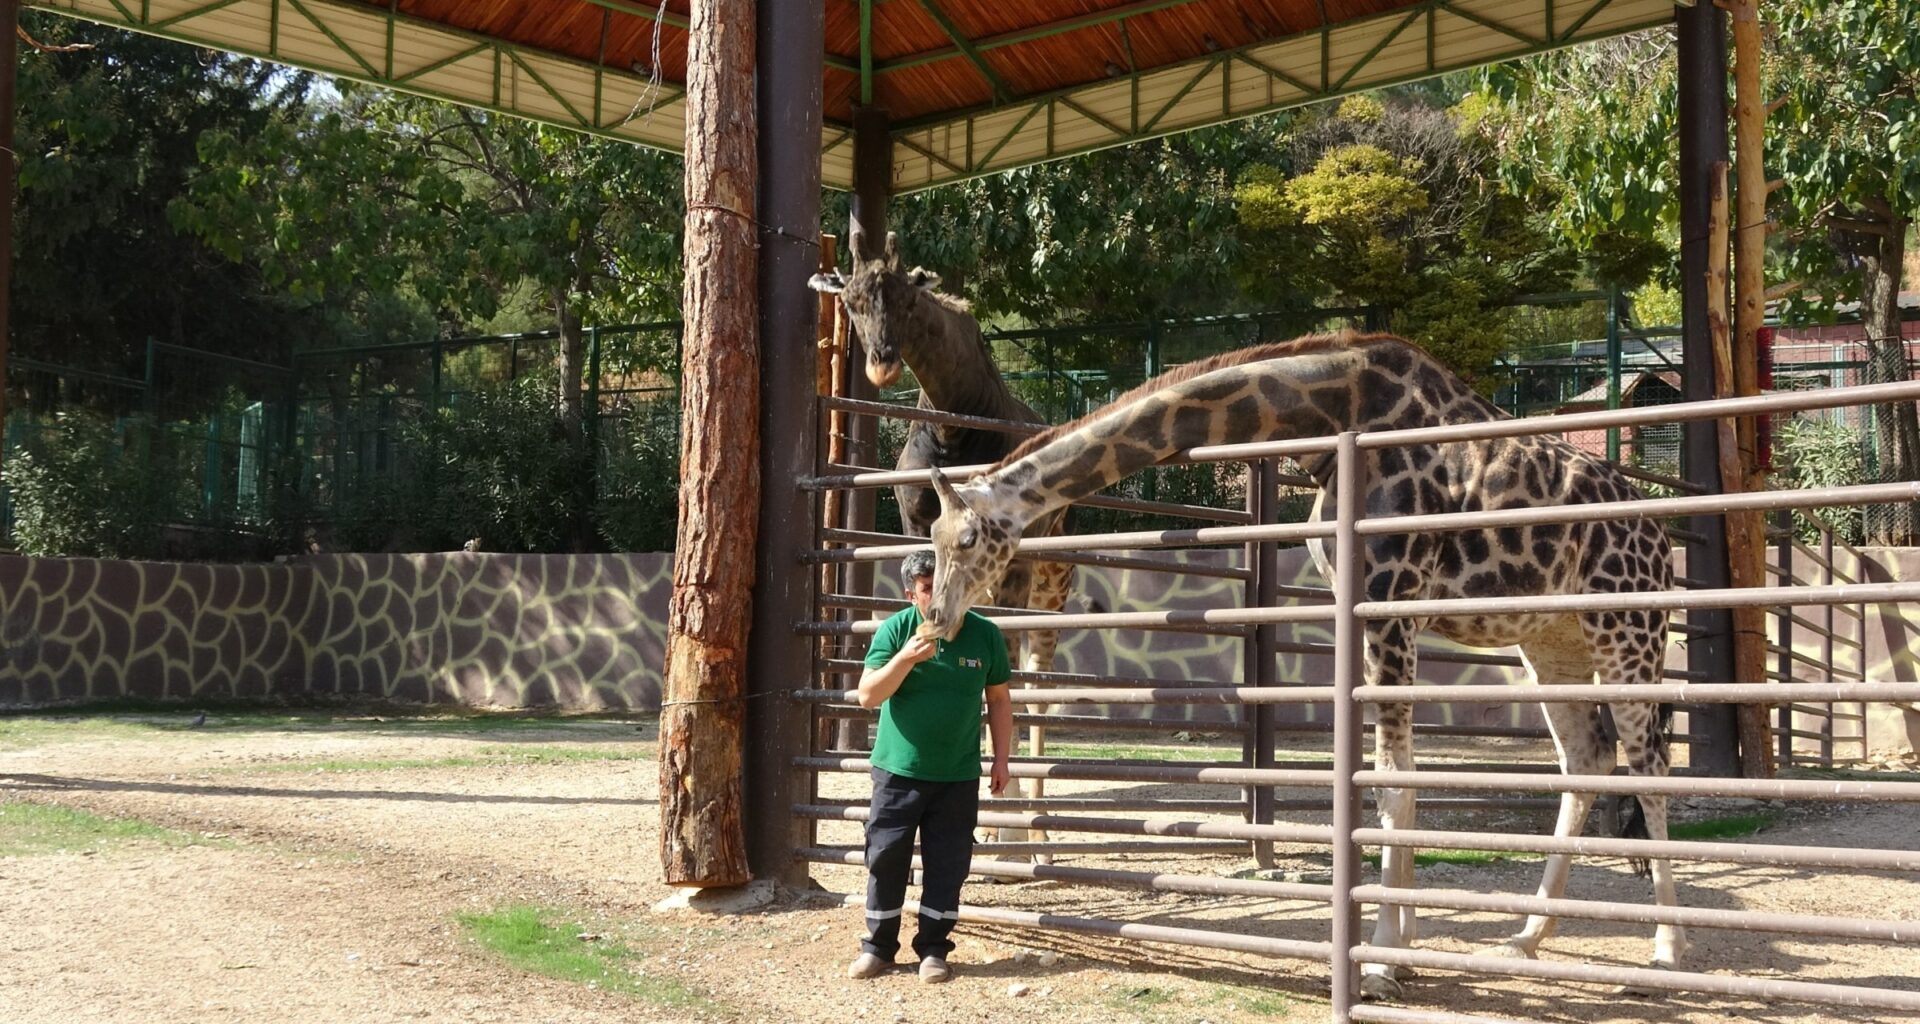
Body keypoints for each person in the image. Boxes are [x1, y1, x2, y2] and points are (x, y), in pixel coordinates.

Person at [846, 549, 1013, 985]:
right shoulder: (896, 630)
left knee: (948, 864)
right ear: (911, 595)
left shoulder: (985, 635)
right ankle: (878, 948)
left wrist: (1001, 758)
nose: (940, 596)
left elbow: (998, 699)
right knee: (885, 858)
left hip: (957, 774)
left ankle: (934, 951)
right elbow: (868, 696)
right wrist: (904, 659)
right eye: (927, 589)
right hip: (898, 773)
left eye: (947, 586)